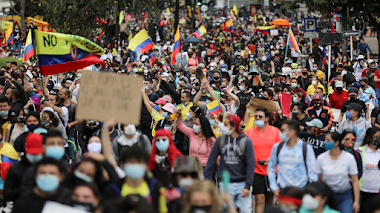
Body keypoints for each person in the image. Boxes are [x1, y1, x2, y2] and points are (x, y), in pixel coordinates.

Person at [204, 114, 255, 213]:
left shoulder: (246, 141)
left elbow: (250, 164)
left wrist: (248, 186)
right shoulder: (221, 140)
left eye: (226, 124)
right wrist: (206, 182)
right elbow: (211, 162)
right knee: (226, 210)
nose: (224, 126)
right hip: (225, 183)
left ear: (234, 127)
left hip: (242, 183)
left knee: (246, 211)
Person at [101, 146, 168, 213]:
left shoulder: (156, 187)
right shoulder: (112, 190)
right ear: (122, 165)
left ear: (147, 166)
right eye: (131, 162)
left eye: (140, 161)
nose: (136, 165)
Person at [244, 107, 281, 213]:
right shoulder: (248, 132)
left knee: (269, 200)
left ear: (267, 119)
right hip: (256, 171)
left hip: (272, 171)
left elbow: (281, 149)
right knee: (259, 199)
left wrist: (272, 158)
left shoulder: (275, 131)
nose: (257, 118)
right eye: (256, 116)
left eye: (260, 116)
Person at [268, 120, 317, 198]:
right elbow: (271, 168)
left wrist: (313, 192)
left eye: (283, 130)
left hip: (301, 190)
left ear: (292, 132)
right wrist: (274, 187)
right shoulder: (277, 147)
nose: (281, 133)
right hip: (283, 190)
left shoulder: (306, 148)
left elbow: (313, 172)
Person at [316, 132, 360, 213]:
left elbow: (355, 180)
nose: (326, 142)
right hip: (327, 195)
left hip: (345, 195)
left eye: (328, 140)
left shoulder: (349, 158)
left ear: (337, 142)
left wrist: (356, 201)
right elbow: (319, 180)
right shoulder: (321, 158)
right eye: (325, 140)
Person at [357, 127, 380, 208]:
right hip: (362, 190)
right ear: (369, 137)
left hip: (378, 191)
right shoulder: (360, 151)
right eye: (376, 136)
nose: (378, 139)